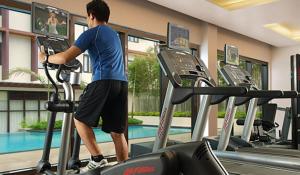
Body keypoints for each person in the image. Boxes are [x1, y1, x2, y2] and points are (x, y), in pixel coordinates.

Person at [39, 0, 128, 172]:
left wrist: (46, 58)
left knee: (79, 118)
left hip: (103, 81)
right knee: (117, 132)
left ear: (92, 15)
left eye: (87, 16)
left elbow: (64, 58)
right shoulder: (114, 34)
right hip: (121, 83)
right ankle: (125, 169)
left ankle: (98, 158)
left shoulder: (92, 33)